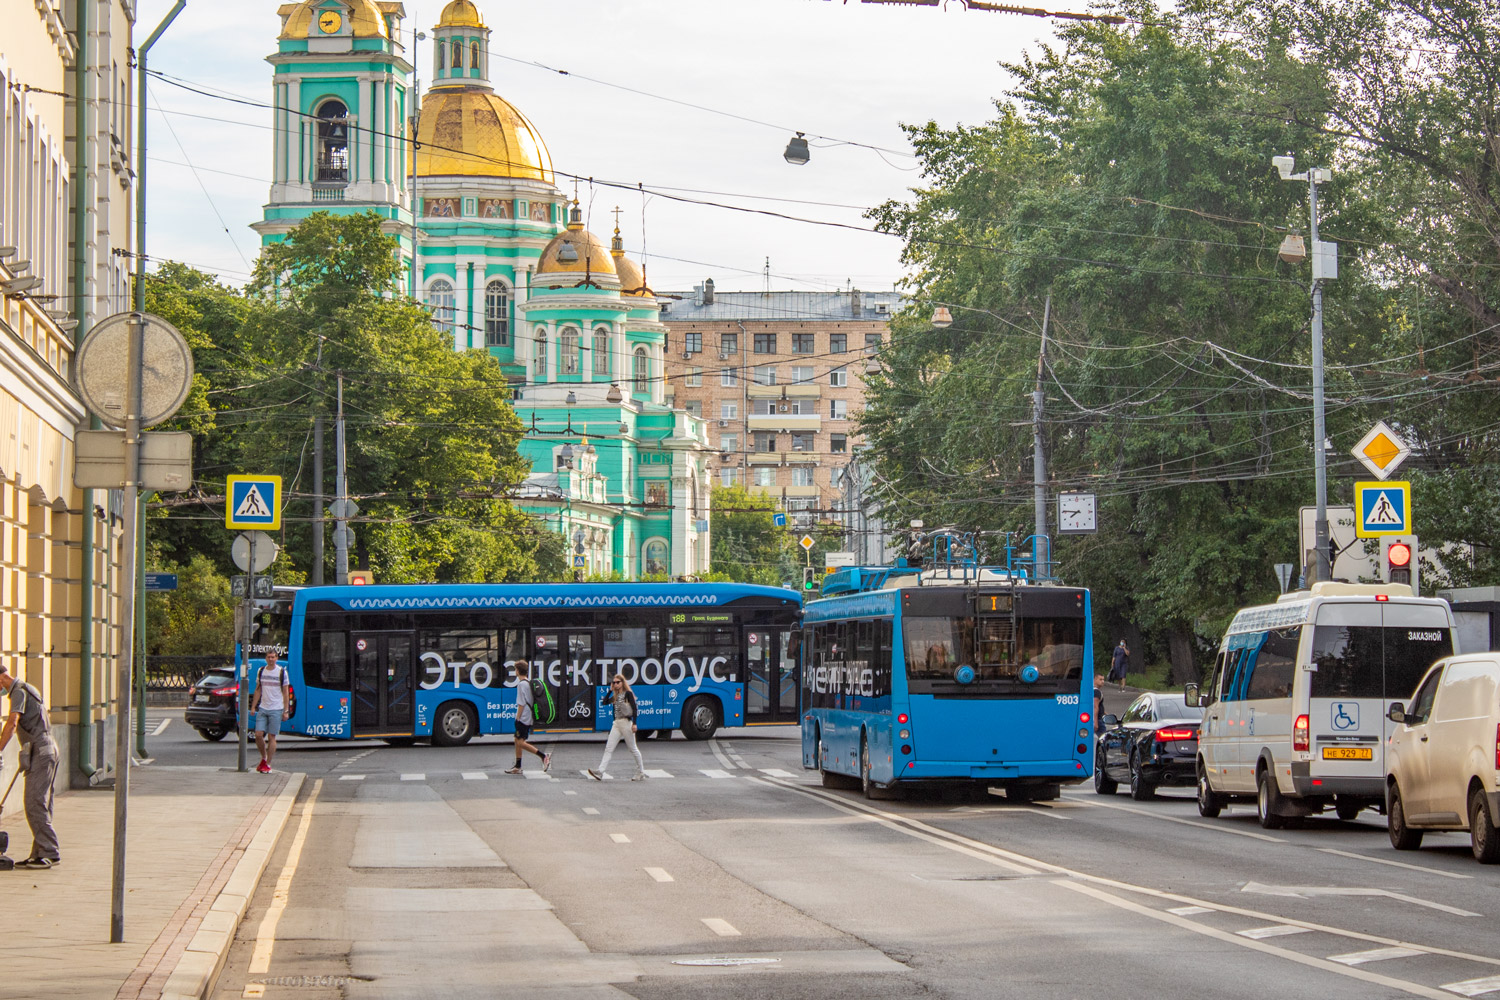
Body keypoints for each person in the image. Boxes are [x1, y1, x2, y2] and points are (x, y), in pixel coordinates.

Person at [0, 664, 60, 868]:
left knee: (34, 802)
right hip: (44, 748)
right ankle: (39, 852)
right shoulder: (26, 689)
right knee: (40, 802)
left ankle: (49, 852)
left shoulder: (18, 692)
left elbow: (12, 723)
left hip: (41, 749)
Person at [588, 674, 645, 781]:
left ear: (622, 683)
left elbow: (634, 709)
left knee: (633, 748)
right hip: (616, 724)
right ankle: (600, 772)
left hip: (626, 722)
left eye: (618, 682)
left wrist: (635, 724)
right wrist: (610, 691)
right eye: (614, 682)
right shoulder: (615, 696)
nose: (615, 684)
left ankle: (640, 772)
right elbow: (604, 702)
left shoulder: (628, 694)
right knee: (608, 748)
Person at [506, 662, 552, 775]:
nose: (515, 671)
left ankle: (543, 756)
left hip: (523, 717)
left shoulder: (521, 684)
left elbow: (521, 704)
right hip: (528, 716)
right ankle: (517, 766)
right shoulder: (528, 682)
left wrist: (517, 718)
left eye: (515, 669)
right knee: (517, 740)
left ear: (518, 670)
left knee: (520, 742)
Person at [249, 649, 290, 773]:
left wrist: (286, 710)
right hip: (263, 707)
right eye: (269, 657)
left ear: (276, 658)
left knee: (272, 736)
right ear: (266, 658)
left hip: (276, 709)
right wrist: (253, 706)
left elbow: (285, 692)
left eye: (273, 657)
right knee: (258, 734)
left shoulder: (282, 672)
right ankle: (263, 757)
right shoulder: (261, 671)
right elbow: (258, 689)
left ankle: (268, 763)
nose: (271, 659)